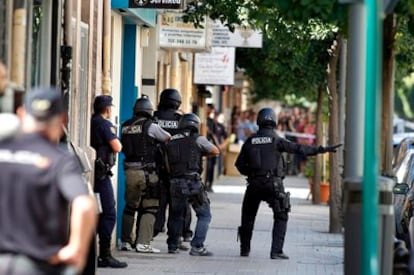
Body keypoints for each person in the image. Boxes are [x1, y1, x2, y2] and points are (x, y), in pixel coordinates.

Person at [0, 87, 97, 274]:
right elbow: (85, 205)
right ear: (62, 120)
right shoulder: (59, 160)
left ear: (21, 114)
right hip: (35, 265)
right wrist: (76, 249)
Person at [235, 107, 341, 260]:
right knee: (281, 215)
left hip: (254, 185)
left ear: (259, 121)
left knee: (247, 216)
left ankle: (244, 250)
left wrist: (251, 175)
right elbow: (299, 149)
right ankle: (276, 251)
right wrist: (322, 149)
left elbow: (239, 164)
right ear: (274, 121)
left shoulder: (250, 141)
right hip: (273, 185)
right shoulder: (277, 140)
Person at [120, 96, 170, 253]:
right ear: (149, 111)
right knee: (151, 207)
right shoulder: (150, 125)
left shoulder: (125, 126)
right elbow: (167, 137)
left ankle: (126, 241)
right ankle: (143, 243)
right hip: (147, 173)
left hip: (129, 172)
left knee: (130, 207)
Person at [165, 113, 220, 255]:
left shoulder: (171, 139)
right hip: (192, 182)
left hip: (175, 182)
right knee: (204, 214)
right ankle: (197, 246)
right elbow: (215, 151)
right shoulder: (198, 139)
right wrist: (201, 154)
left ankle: (172, 246)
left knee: (175, 214)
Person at [90, 95, 127, 268]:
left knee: (97, 213)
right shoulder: (105, 124)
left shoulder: (92, 121)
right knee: (109, 213)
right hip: (101, 175)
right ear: (107, 109)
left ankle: (97, 253)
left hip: (93, 173)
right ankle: (104, 255)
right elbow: (117, 147)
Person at [153, 88, 193, 244]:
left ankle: (155, 229)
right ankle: (184, 233)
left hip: (157, 165)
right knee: (182, 202)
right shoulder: (181, 119)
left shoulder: (154, 117)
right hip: (177, 167)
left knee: (159, 201)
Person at [205, 103, 219, 192]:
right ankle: (205, 183)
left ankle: (210, 184)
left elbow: (214, 135)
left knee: (211, 167)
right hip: (203, 145)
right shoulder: (202, 120)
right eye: (210, 109)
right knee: (207, 167)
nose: (210, 111)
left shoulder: (211, 121)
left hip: (210, 145)